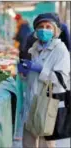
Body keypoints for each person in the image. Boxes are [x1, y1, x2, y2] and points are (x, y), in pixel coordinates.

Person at [17, 13, 70, 148]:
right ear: (35, 30)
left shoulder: (60, 50)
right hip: (31, 102)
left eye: (48, 27)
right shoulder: (34, 48)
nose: (44, 29)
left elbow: (62, 79)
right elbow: (31, 79)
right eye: (40, 26)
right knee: (28, 143)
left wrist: (40, 69)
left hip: (47, 103)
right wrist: (24, 73)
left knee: (46, 144)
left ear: (55, 30)